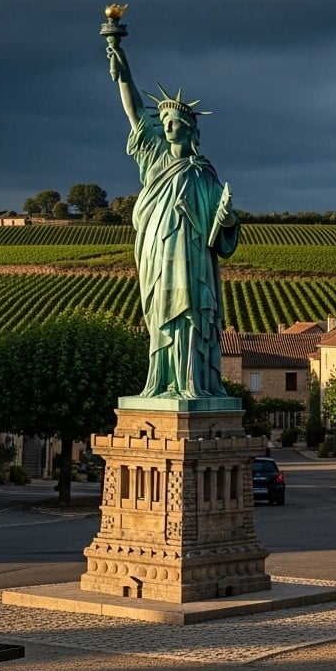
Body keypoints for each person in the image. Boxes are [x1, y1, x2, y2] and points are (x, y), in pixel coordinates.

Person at [106, 33, 240, 399]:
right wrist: (121, 66)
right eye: (163, 120)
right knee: (161, 312)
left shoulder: (202, 172)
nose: (166, 125)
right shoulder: (152, 157)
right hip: (155, 251)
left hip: (192, 254)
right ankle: (163, 381)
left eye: (173, 121)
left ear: (190, 128)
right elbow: (133, 109)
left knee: (190, 312)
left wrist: (226, 217)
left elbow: (223, 228)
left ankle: (190, 383)